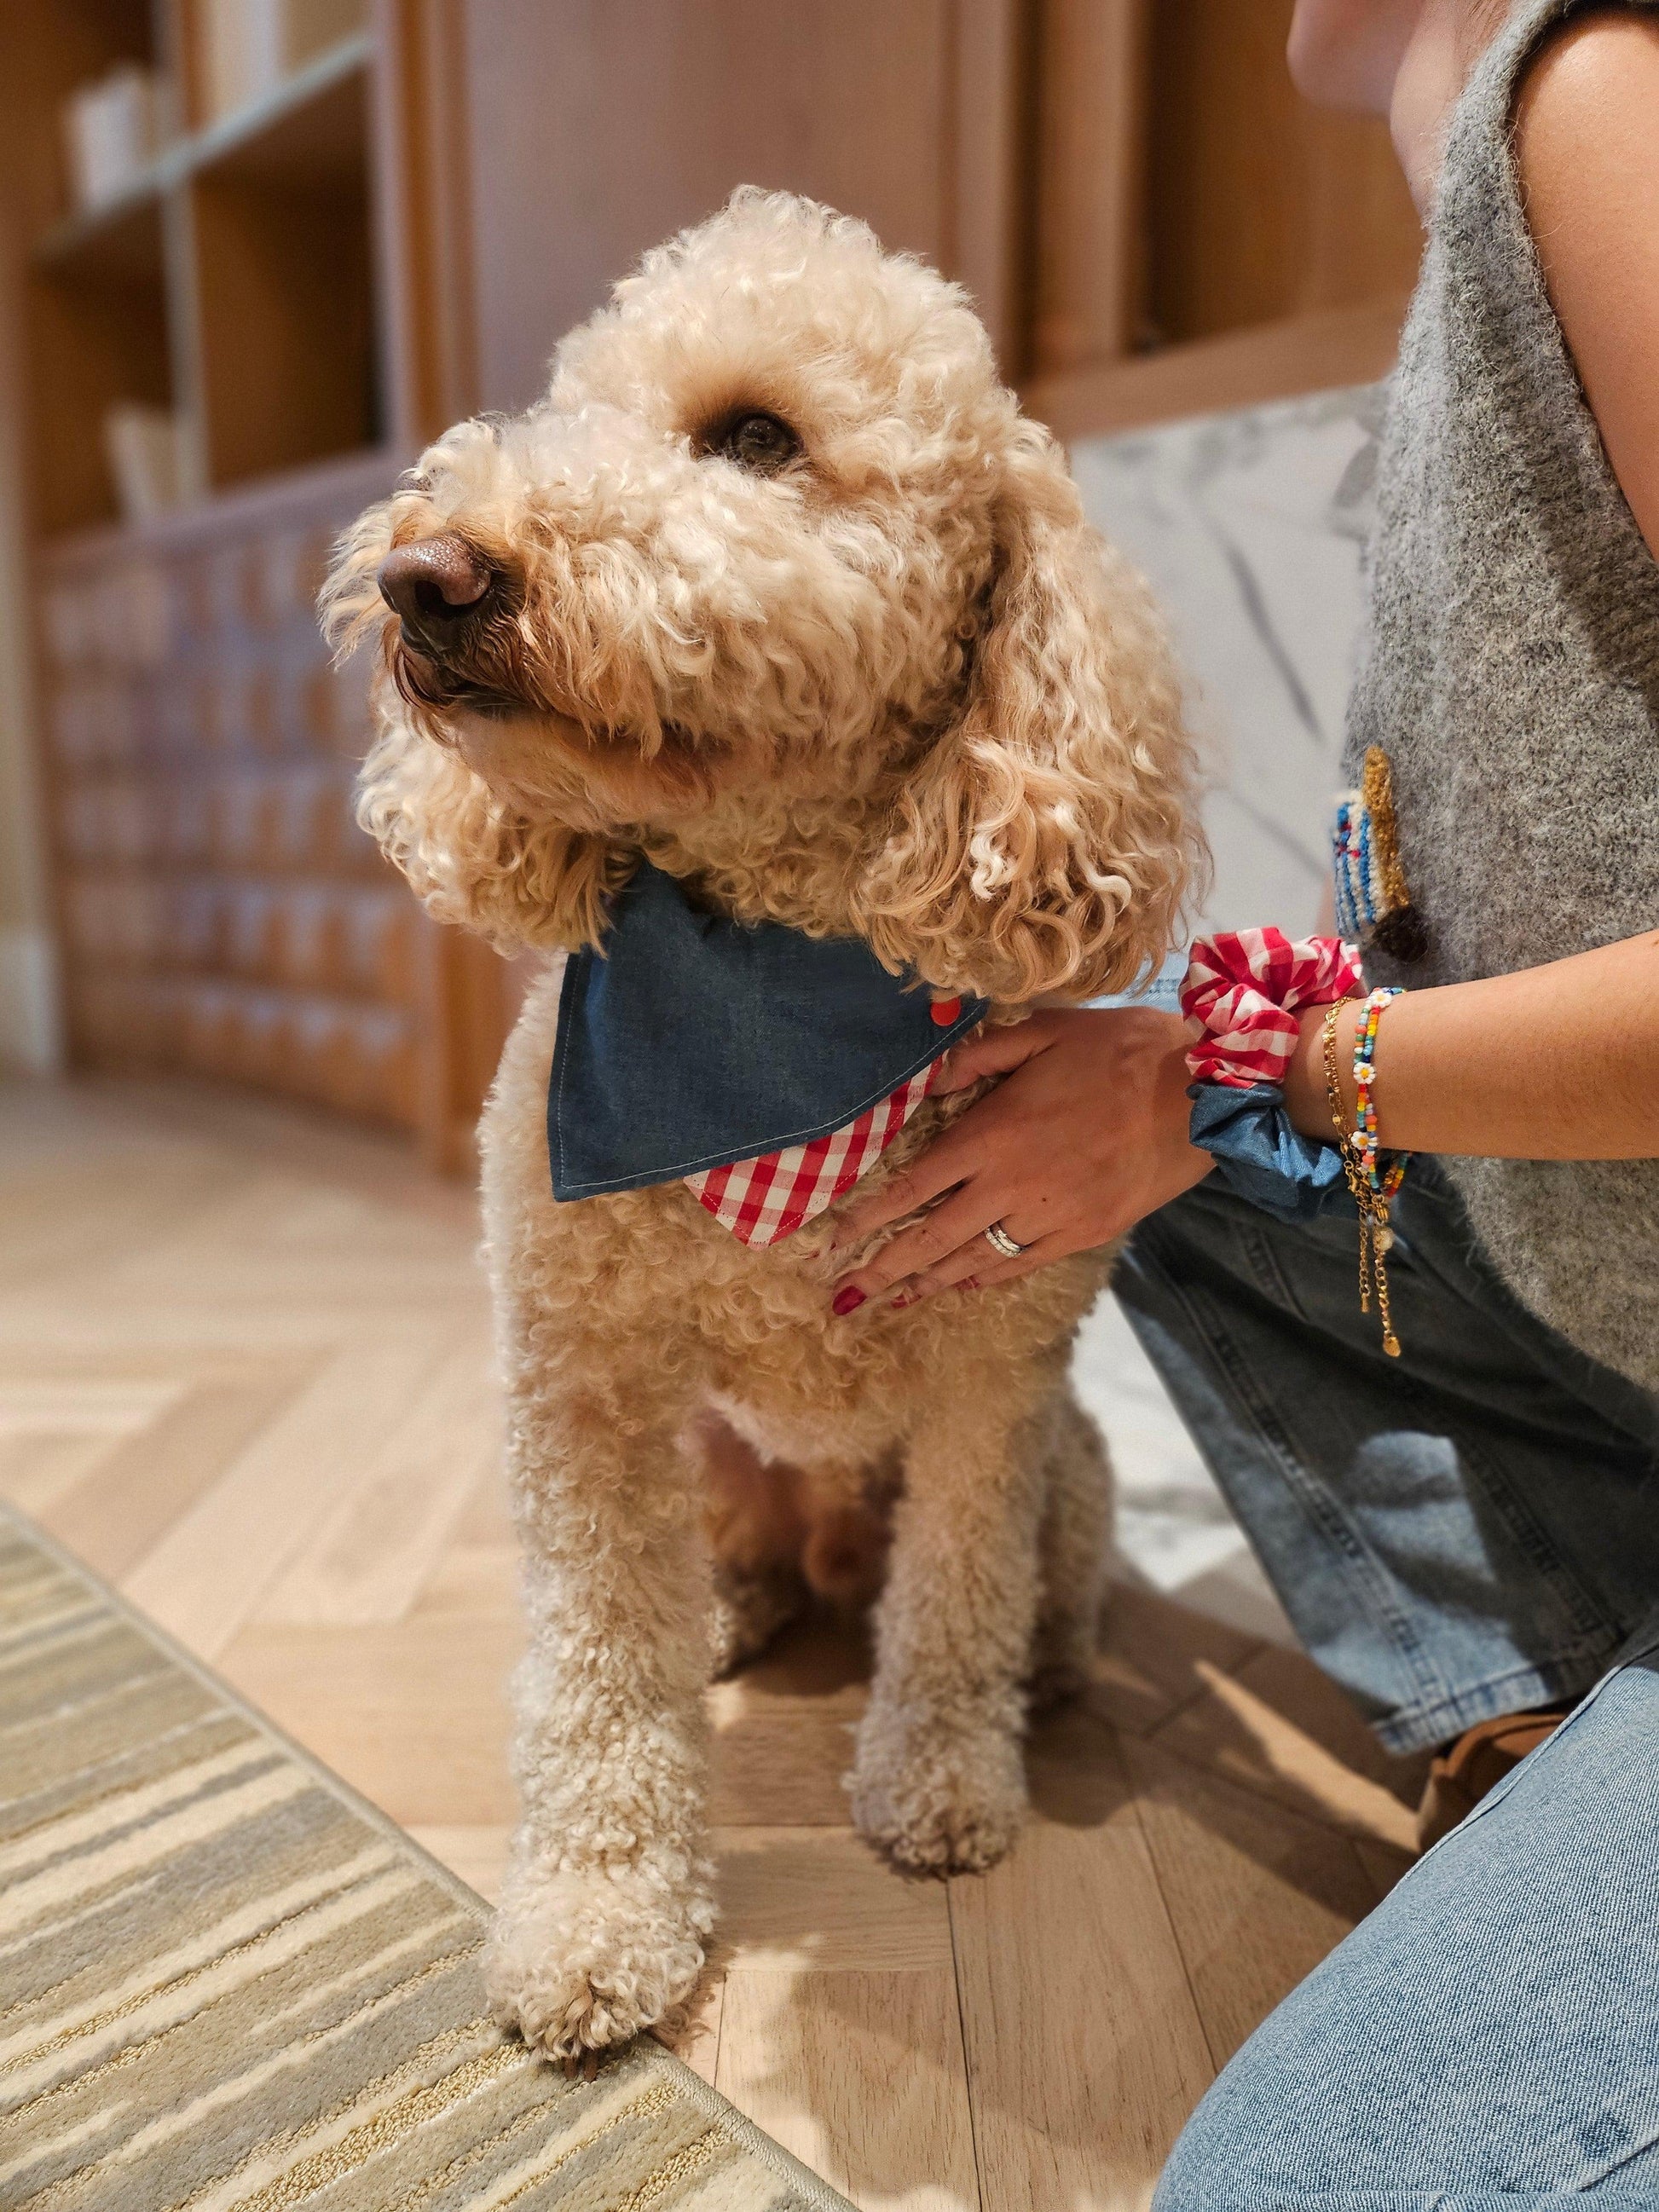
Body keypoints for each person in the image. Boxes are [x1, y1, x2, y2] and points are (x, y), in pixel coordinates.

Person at [830, 0, 1659, 2201]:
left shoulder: (1605, 95)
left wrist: (1278, 1061)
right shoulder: (1491, 206)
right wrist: (1208, 1072)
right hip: (1616, 1325)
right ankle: (1540, 1712)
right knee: (1094, 1088)